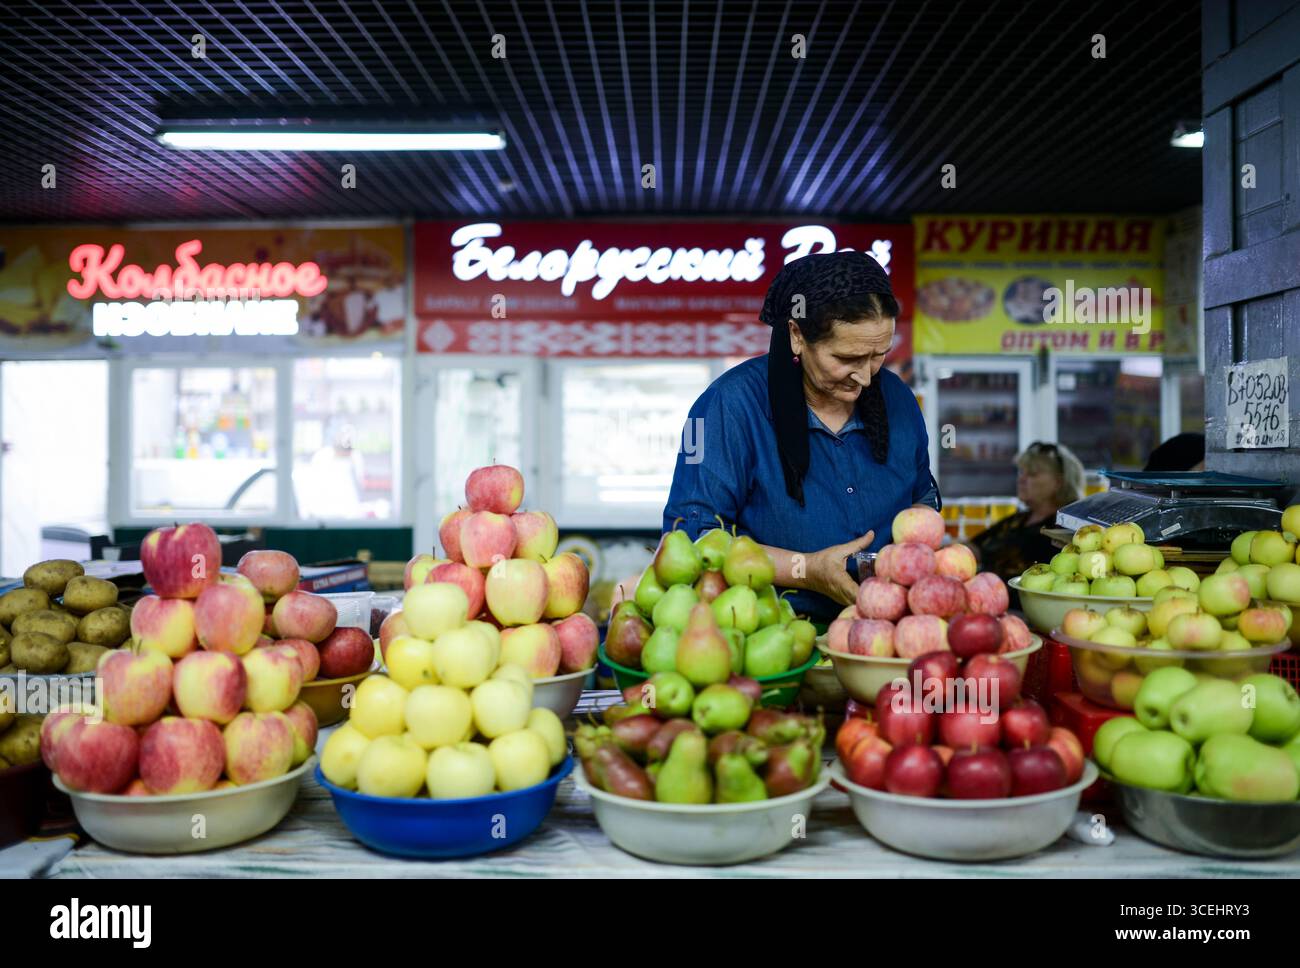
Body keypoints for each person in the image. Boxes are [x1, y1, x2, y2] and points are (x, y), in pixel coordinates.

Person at [661, 251, 939, 625]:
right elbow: (694, 536)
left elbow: (922, 495)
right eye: (846, 357)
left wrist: (915, 548)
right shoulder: (729, 407)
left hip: (887, 632)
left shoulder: (898, 400)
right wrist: (805, 569)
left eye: (879, 355)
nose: (866, 376)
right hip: (770, 631)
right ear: (796, 335)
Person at [971, 441, 1085, 580]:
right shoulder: (1019, 520)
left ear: (1058, 482)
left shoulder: (1063, 530)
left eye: (1032, 474)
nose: (1021, 479)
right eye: (1021, 472)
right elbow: (974, 546)